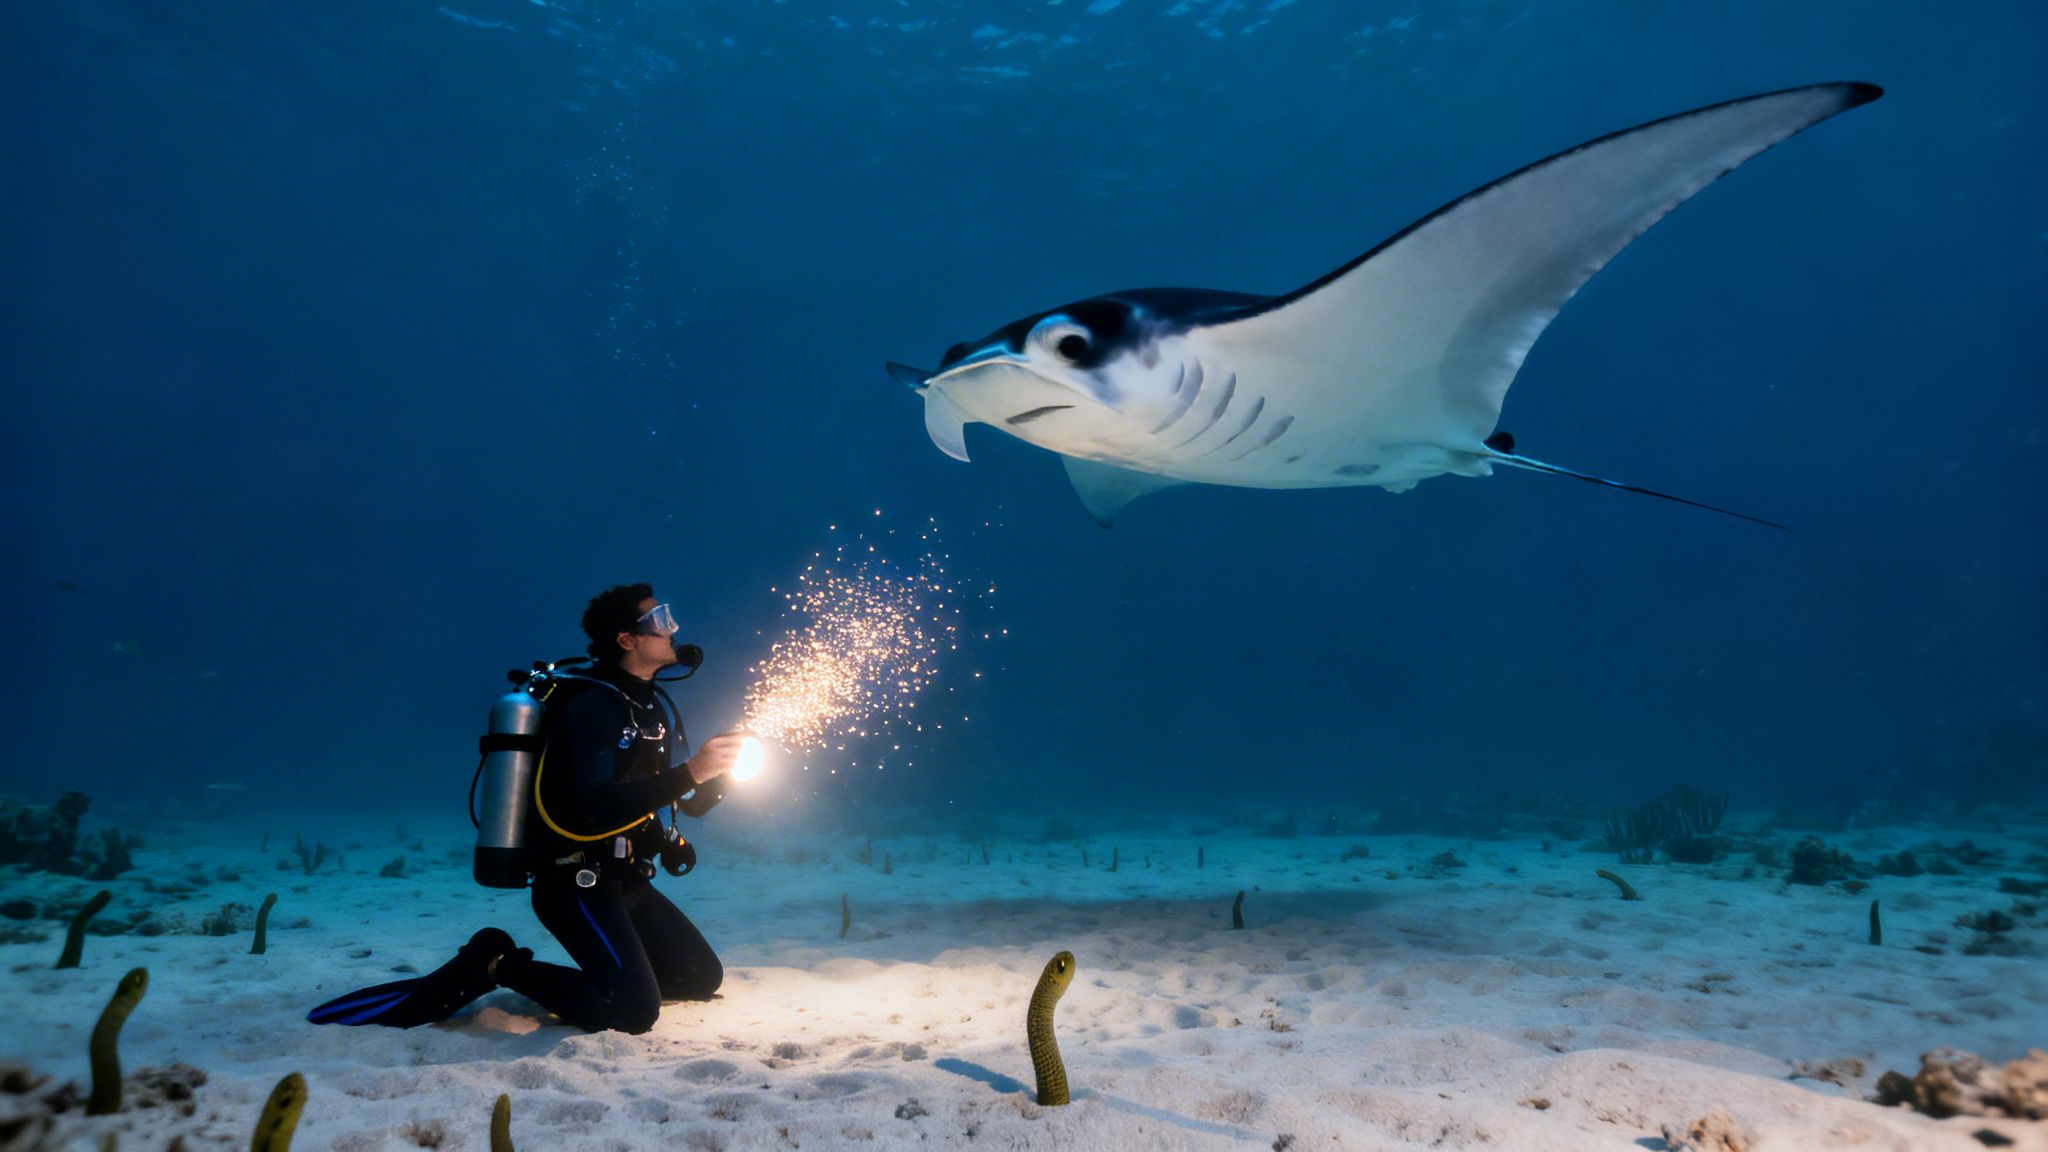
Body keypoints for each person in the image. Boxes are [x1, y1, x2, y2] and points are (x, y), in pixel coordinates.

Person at [308, 584, 746, 1034]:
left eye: (668, 618)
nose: (671, 628)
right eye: (657, 621)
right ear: (625, 639)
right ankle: (497, 964)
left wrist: (706, 787)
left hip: (625, 877)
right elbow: (591, 808)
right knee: (634, 1011)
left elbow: (653, 798)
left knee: (699, 978)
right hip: (575, 883)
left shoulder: (649, 704)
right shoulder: (594, 706)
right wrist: (691, 773)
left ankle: (611, 972)